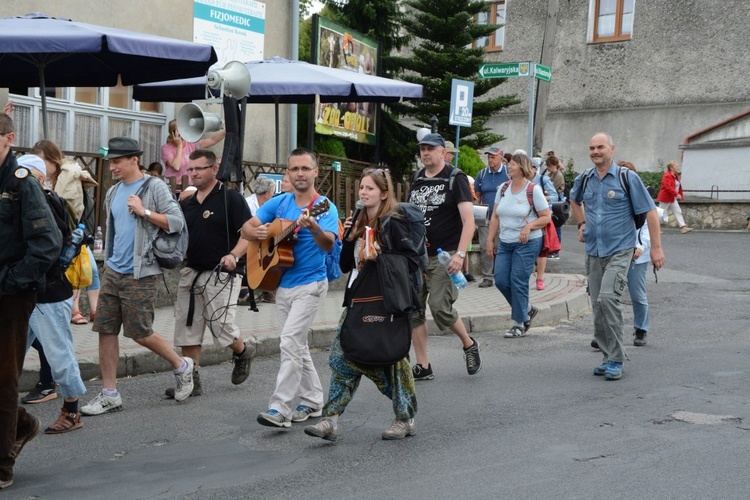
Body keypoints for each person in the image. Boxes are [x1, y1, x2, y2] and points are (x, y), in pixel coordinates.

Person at [304, 168, 420, 443]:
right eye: (361, 188)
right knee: (341, 357)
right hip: (358, 299)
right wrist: (350, 237)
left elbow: (411, 261)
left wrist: (379, 256)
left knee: (394, 361)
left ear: (383, 193)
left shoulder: (393, 223)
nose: (363, 193)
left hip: (387, 302)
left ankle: (405, 418)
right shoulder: (357, 221)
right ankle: (330, 420)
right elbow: (346, 265)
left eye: (369, 188)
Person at [81, 137, 195, 415]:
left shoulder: (154, 187)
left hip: (141, 273)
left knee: (140, 333)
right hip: (113, 271)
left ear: (134, 159)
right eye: (111, 162)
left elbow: (177, 222)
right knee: (105, 330)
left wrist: (144, 211)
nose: (112, 167)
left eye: (117, 161)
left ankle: (182, 365)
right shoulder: (113, 191)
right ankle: (110, 394)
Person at [241, 148, 339, 428]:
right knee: (297, 345)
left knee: (289, 342)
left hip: (311, 283)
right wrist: (257, 233)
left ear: (315, 172)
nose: (299, 174)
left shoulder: (325, 206)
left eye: (305, 169)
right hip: (282, 284)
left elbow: (329, 243)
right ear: (288, 173)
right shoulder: (280, 203)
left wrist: (314, 228)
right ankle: (312, 400)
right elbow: (246, 228)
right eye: (294, 169)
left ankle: (280, 409)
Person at [570, 133, 665, 381]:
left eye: (600, 146)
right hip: (593, 251)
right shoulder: (585, 178)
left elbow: (651, 212)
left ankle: (616, 359)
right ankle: (606, 355)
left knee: (608, 298)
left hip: (620, 250)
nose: (595, 151)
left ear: (611, 149)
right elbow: (573, 199)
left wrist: (656, 248)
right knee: (598, 305)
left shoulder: (627, 178)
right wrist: (581, 223)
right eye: (591, 147)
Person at [0, 113, 62, 490]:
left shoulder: (21, 184)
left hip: (11, 294)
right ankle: (22, 424)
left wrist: (9, 281)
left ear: (8, 138)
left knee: (4, 379)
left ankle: (2, 463)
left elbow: (47, 245)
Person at [163, 149, 254, 399]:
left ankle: (242, 352)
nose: (193, 174)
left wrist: (234, 255)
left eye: (198, 169)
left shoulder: (231, 199)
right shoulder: (187, 204)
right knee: (187, 327)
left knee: (221, 326)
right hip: (192, 271)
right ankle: (192, 381)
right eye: (190, 169)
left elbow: (248, 234)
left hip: (222, 272)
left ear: (214, 169)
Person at [17, 154, 87, 434]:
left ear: (39, 178)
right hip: (22, 293)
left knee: (60, 356)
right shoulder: (22, 202)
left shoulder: (49, 204)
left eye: (24, 175)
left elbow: (48, 249)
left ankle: (72, 411)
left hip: (48, 293)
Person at [408, 133, 480, 381]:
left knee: (439, 307)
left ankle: (468, 343)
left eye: (430, 149)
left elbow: (468, 222)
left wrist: (460, 255)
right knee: (414, 310)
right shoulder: (417, 178)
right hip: (417, 257)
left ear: (442, 152)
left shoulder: (454, 178)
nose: (425, 153)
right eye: (422, 149)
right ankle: (423, 364)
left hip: (445, 255)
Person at [31, 139, 100, 325]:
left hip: (68, 233)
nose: (39, 166)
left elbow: (64, 208)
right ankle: (80, 310)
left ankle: (81, 310)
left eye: (41, 161)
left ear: (53, 159)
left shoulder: (68, 175)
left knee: (82, 269)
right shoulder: (48, 176)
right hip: (60, 235)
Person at [486, 151, 551, 338]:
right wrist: (490, 240)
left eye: (513, 164)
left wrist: (529, 226)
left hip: (528, 242)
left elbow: (546, 217)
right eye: (508, 164)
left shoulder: (533, 189)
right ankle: (527, 309)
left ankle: (518, 323)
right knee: (501, 280)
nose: (509, 166)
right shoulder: (503, 188)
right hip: (506, 243)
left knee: (518, 281)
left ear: (522, 167)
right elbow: (495, 216)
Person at [474, 146, 509, 288]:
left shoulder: (508, 173)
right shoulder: (482, 174)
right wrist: (476, 212)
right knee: (484, 246)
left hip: (502, 216)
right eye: (488, 157)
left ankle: (501, 275)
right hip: (486, 216)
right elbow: (478, 195)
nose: (490, 159)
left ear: (501, 158)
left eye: (493, 157)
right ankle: (487, 277)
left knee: (501, 246)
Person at [243, 176, 277, 304]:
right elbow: (247, 227)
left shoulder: (266, 205)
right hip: (247, 240)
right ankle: (266, 291)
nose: (273, 195)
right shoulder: (249, 203)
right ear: (267, 193)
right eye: (272, 192)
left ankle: (268, 289)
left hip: (261, 240)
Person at [161, 118, 226, 184]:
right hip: (173, 188)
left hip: (189, 187)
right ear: (174, 133)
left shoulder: (191, 144)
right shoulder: (166, 148)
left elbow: (212, 140)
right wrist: (179, 145)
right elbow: (176, 166)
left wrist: (227, 131)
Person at [531, 157, 560, 291]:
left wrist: (540, 197)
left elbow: (555, 197)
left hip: (542, 217)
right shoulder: (520, 181)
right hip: (526, 219)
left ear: (534, 169)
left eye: (530, 167)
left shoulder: (543, 180)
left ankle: (540, 279)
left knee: (542, 249)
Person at [657, 160, 693, 234]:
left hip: (672, 197)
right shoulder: (667, 176)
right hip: (666, 197)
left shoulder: (675, 175)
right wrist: (676, 194)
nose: (678, 167)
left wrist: (677, 194)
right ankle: (654, 228)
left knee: (678, 211)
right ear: (671, 167)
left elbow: (677, 186)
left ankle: (683, 227)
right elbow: (668, 187)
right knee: (660, 213)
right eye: (676, 166)